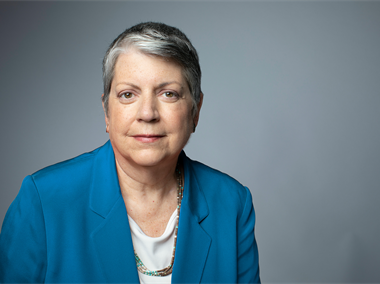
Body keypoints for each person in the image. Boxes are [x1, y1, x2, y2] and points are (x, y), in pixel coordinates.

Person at [0, 22, 260, 284]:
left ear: (196, 109)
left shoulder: (232, 204)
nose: (147, 113)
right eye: (128, 94)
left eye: (168, 93)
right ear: (107, 111)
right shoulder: (44, 201)